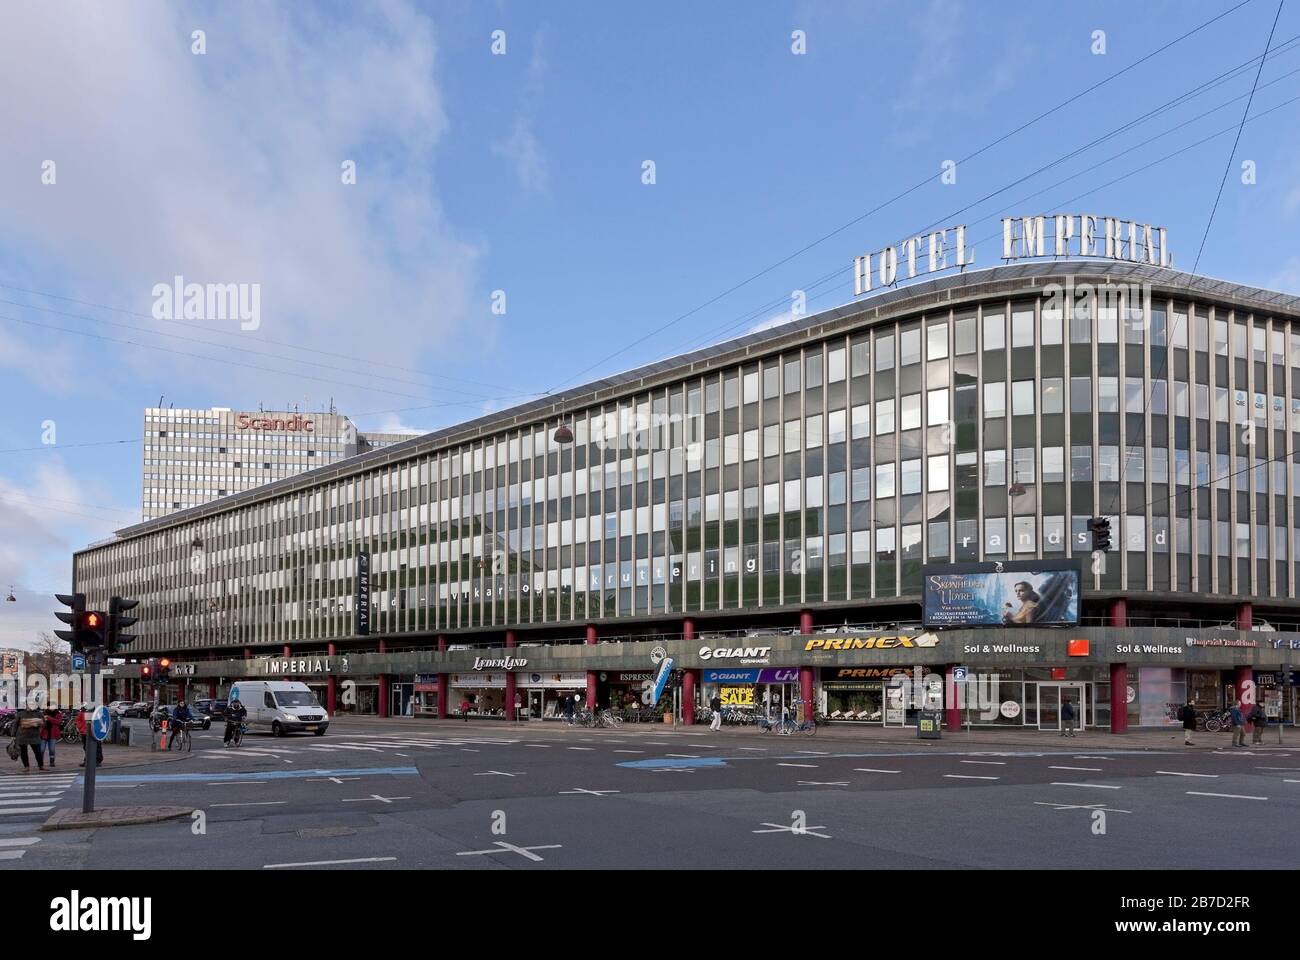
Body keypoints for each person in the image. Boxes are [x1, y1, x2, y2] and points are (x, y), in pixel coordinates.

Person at [13, 707, 44, 773]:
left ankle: (41, 766)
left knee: (38, 752)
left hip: (34, 736)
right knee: (23, 753)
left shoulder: (38, 713)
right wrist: (13, 735)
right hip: (22, 735)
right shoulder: (20, 713)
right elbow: (15, 724)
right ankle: (26, 767)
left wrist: (38, 723)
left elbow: (44, 724)